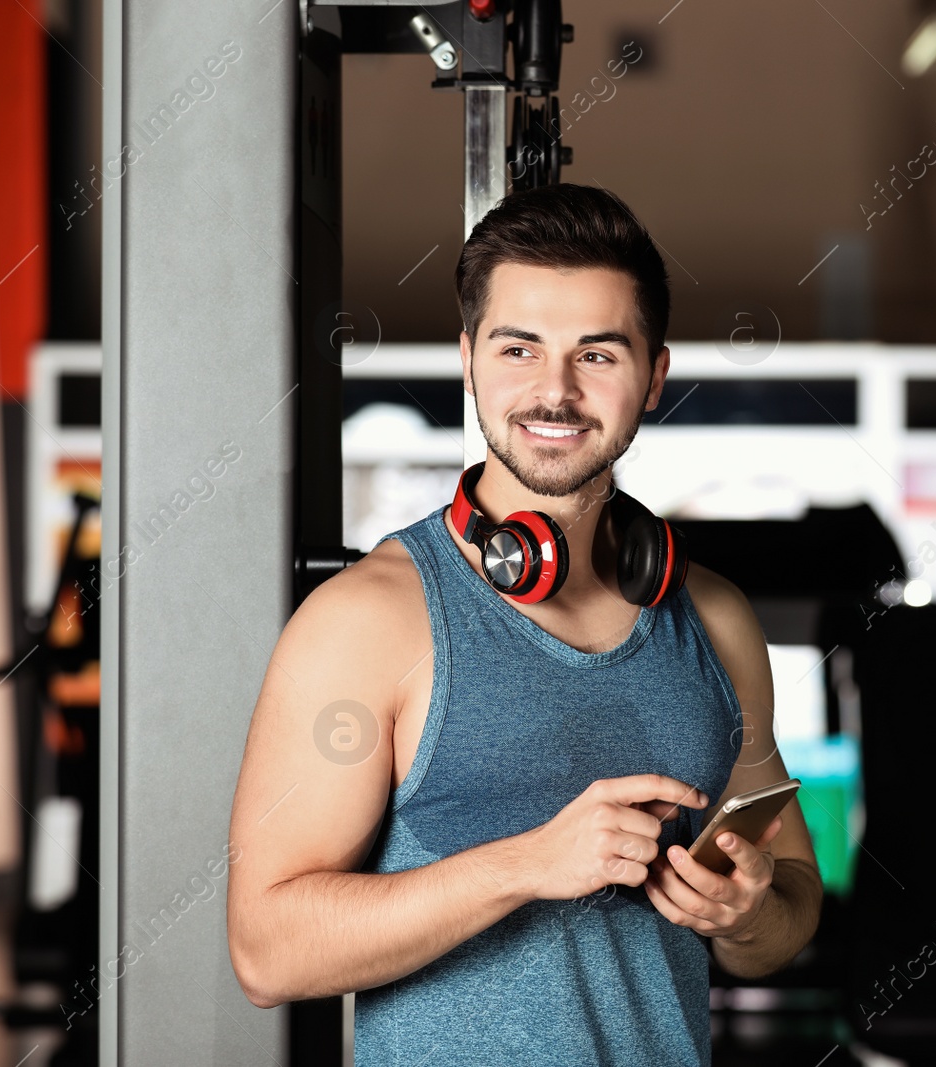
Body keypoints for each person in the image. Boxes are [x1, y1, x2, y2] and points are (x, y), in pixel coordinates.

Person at [227, 184, 822, 1064]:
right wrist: (525, 865)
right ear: (469, 359)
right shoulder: (371, 621)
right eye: (519, 348)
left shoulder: (714, 618)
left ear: (654, 373)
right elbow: (266, 949)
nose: (556, 390)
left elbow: (789, 908)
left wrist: (746, 913)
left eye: (599, 354)